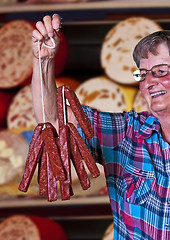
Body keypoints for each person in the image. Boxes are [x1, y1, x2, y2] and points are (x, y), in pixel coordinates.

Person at [32, 14, 170, 240]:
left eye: (161, 71)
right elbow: (55, 122)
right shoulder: (127, 133)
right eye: (142, 74)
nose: (148, 82)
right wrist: (43, 62)